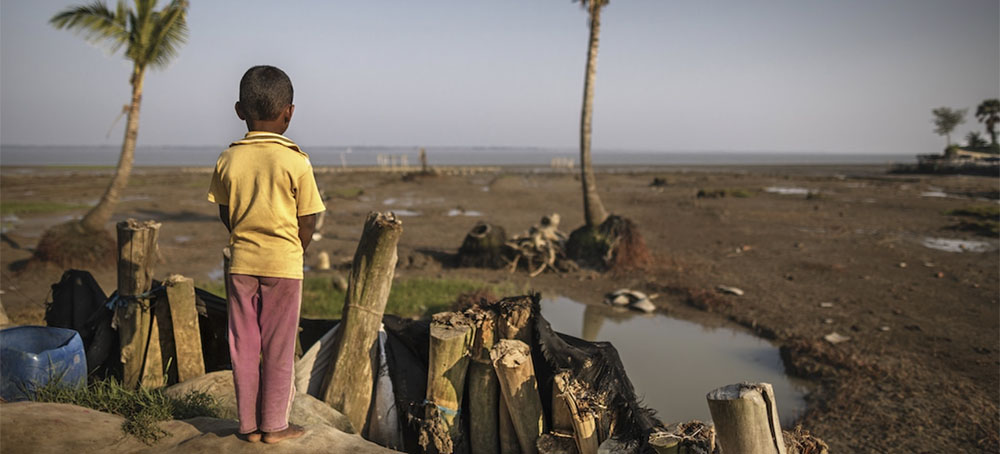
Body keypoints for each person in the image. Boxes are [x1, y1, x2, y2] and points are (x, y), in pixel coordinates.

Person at [208, 65, 325, 444]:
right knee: (278, 346)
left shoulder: (228, 159)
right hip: (284, 266)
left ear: (239, 111)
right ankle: (275, 426)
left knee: (243, 345)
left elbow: (226, 213)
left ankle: (248, 427)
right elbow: (307, 218)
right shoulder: (296, 160)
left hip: (241, 263)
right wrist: (294, 249)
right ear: (289, 112)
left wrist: (245, 237)